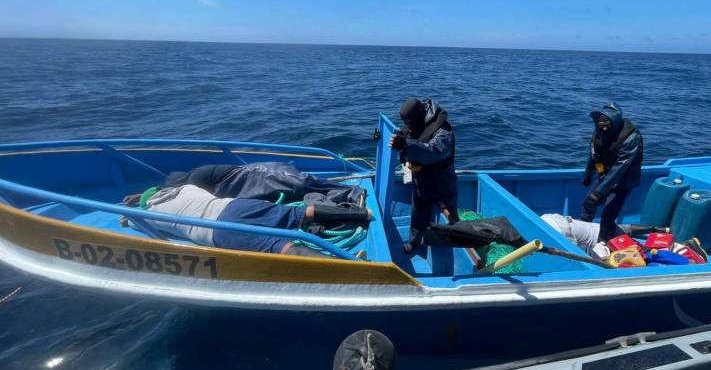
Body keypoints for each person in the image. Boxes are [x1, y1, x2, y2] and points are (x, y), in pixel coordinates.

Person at [121, 184, 371, 258]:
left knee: (277, 247)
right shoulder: (185, 188)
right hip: (234, 205)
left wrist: (129, 218)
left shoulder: (151, 213)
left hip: (220, 231)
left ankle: (355, 266)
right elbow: (159, 189)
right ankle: (361, 214)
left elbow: (134, 221)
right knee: (298, 214)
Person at [389, 97, 458, 254]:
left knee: (450, 219)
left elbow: (434, 151)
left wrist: (407, 145)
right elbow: (403, 135)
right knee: (418, 213)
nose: (409, 128)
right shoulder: (415, 124)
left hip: (443, 182)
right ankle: (415, 241)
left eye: (411, 123)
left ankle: (455, 249)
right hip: (421, 179)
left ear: (420, 115)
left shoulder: (443, 131)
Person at [164, 162, 365, 206]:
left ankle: (352, 192)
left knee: (302, 183)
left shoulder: (195, 178)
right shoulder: (193, 176)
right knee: (296, 192)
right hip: (252, 183)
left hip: (262, 176)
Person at [580, 102, 644, 241]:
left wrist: (599, 192)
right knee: (588, 203)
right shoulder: (599, 132)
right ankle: (583, 232)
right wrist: (588, 174)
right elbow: (594, 154)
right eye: (599, 123)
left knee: (608, 216)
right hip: (606, 173)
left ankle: (604, 242)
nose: (602, 127)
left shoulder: (631, 137)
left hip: (623, 180)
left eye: (606, 123)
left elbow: (621, 167)